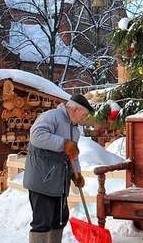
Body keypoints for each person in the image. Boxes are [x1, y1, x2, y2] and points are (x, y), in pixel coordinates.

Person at [23, 94, 94, 243]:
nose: (84, 118)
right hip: (42, 179)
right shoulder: (51, 116)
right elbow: (36, 135)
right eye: (84, 114)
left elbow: (73, 154)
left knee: (60, 220)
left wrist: (77, 174)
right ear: (74, 109)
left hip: (60, 182)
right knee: (42, 223)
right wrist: (63, 143)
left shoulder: (74, 129)